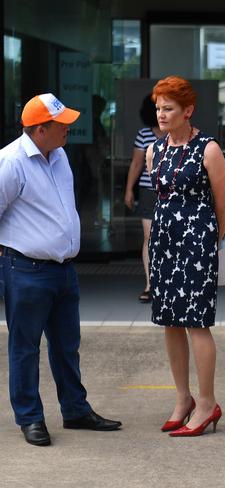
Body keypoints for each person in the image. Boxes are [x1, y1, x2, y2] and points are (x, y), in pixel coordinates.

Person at [0, 93, 122, 446]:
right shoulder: (11, 162)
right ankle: (30, 418)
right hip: (26, 269)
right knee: (26, 347)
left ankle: (75, 410)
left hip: (64, 269)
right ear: (40, 129)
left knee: (67, 345)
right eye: (62, 123)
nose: (69, 127)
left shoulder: (61, 155)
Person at [146, 76, 225, 436]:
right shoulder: (155, 150)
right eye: (158, 108)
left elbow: (224, 203)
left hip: (196, 246)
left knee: (197, 323)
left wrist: (209, 240)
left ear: (188, 111)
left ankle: (208, 402)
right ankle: (183, 399)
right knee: (170, 322)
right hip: (164, 244)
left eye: (169, 108)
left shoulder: (208, 149)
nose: (162, 114)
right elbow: (161, 197)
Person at [124, 94, 165, 303]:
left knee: (172, 238)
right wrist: (129, 189)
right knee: (149, 238)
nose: (162, 113)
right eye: (159, 109)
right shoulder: (144, 134)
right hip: (149, 192)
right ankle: (150, 284)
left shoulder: (178, 133)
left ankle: (169, 283)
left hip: (173, 192)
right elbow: (136, 164)